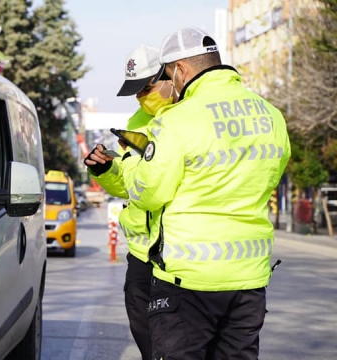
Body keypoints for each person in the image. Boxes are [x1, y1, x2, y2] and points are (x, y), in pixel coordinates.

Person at [120, 27, 291, 359]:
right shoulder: (271, 116)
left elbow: (148, 193)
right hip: (248, 277)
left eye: (170, 75)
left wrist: (129, 165)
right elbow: (270, 177)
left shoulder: (177, 121)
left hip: (188, 279)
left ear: (181, 70)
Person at [83, 44, 177, 360]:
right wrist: (105, 168)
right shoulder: (137, 121)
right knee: (146, 336)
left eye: (146, 88)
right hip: (141, 253)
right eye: (135, 92)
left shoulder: (188, 118)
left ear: (171, 75)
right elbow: (126, 184)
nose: (140, 97)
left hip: (180, 253)